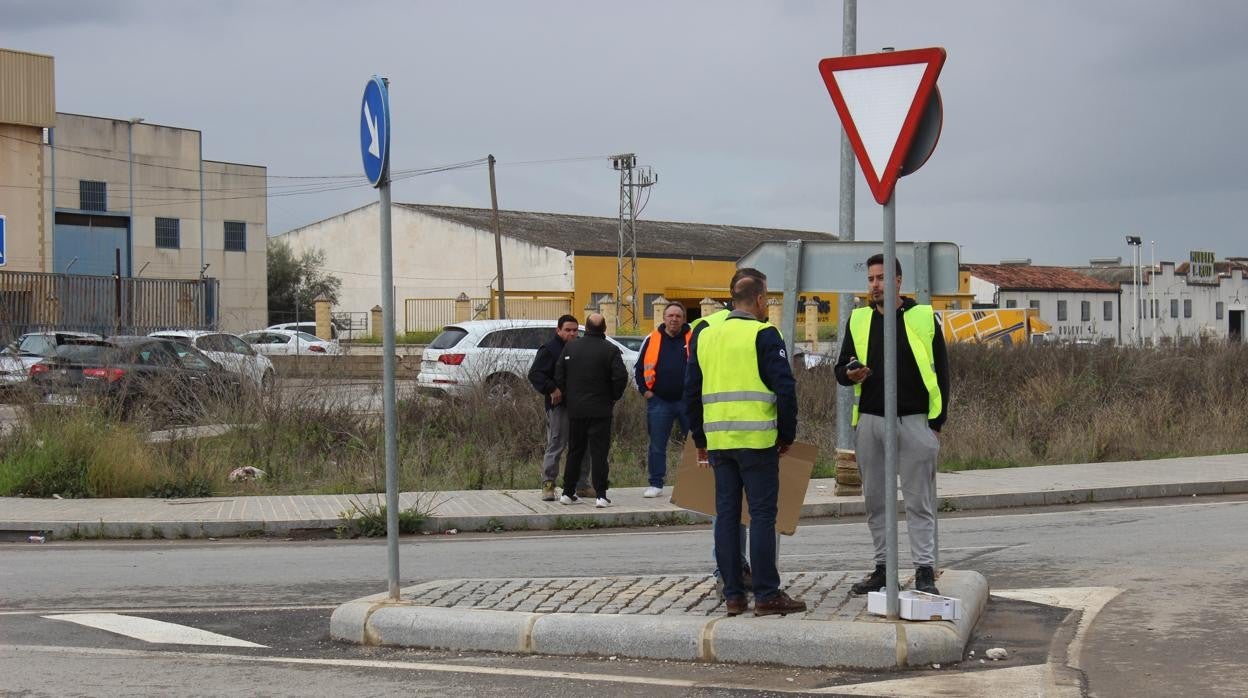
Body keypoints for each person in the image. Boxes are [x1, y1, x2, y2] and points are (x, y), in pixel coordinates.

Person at [686, 273, 806, 617]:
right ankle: (767, 594)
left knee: (726, 517)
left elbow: (691, 391)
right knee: (762, 517)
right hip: (757, 442)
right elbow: (785, 388)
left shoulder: (705, 335)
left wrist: (700, 439)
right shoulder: (764, 334)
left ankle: (734, 596)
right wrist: (786, 435)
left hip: (720, 443)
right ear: (759, 299)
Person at [834, 253, 950, 596]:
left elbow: (942, 373)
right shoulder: (858, 320)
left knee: (919, 501)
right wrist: (849, 372)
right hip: (871, 421)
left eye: (881, 278)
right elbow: (840, 370)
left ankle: (925, 570)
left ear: (899, 280)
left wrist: (936, 424)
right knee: (876, 502)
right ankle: (884, 569)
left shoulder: (922, 317)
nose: (875, 285)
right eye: (871, 279)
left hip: (915, 421)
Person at [555, 312, 629, 508]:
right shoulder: (610, 349)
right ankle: (601, 495)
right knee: (599, 452)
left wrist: (568, 396)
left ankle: (567, 492)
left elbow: (559, 373)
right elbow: (621, 377)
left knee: (575, 451)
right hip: (601, 409)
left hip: (576, 409)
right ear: (604, 329)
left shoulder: (571, 346)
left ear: (585, 328)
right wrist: (613, 396)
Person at [527, 315, 590, 501]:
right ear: (558, 330)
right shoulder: (550, 349)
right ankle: (548, 485)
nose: (572, 333)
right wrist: (552, 389)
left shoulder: (581, 348)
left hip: (581, 405)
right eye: (568, 330)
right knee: (557, 444)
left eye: (575, 330)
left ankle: (582, 485)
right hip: (560, 407)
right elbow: (536, 374)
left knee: (582, 446)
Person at [635, 302, 691, 498]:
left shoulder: (693, 339)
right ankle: (656, 483)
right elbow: (639, 369)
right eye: (670, 316)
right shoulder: (652, 339)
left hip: (688, 402)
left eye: (678, 316)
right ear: (664, 318)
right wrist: (645, 391)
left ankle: (695, 484)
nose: (674, 319)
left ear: (683, 319)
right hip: (659, 402)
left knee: (695, 443)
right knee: (657, 444)